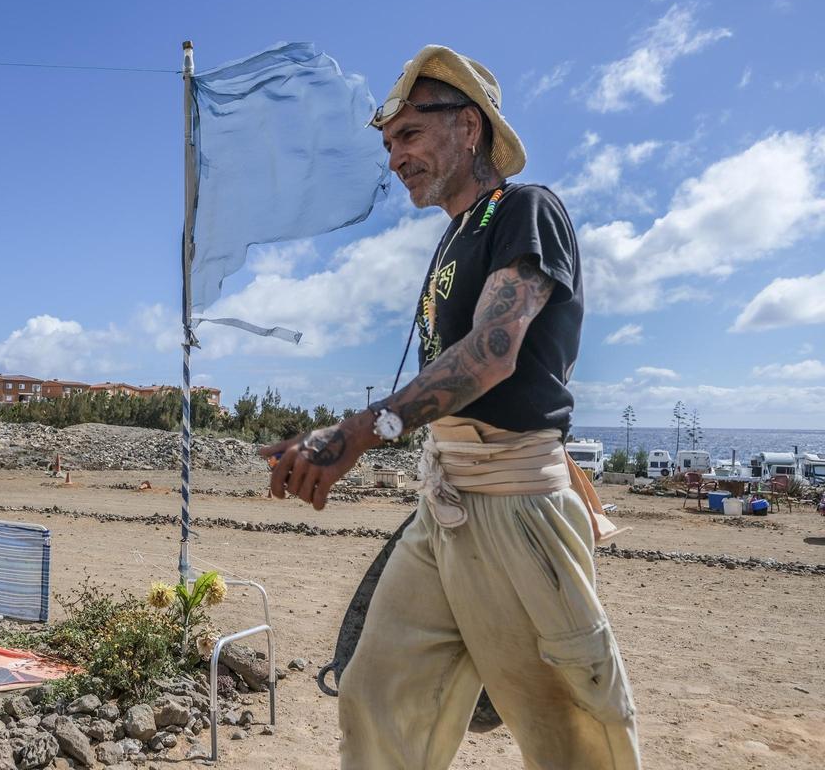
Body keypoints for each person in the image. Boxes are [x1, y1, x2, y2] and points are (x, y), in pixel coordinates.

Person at [261, 45, 641, 769]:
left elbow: (494, 352)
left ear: (468, 127)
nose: (395, 156)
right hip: (446, 503)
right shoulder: (453, 239)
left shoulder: (527, 210)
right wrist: (329, 436)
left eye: (408, 134)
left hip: (519, 503)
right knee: (375, 694)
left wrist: (362, 433)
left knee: (570, 731)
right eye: (388, 143)